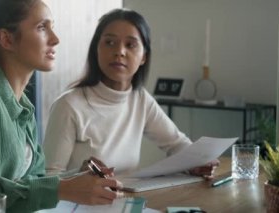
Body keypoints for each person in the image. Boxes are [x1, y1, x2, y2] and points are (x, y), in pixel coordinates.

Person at [0, 0, 123, 212]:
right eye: (41, 27)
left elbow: (31, 183)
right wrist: (62, 188)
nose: (55, 39)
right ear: (7, 39)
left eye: (52, 27)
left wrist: (76, 178)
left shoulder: (24, 109)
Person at [43, 8, 219, 177]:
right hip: (81, 206)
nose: (119, 52)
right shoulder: (69, 105)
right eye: (109, 42)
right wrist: (79, 176)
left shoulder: (140, 99)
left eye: (130, 45)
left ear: (144, 57)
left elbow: (176, 143)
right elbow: (49, 177)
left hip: (127, 201)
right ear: (96, 49)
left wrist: (197, 162)